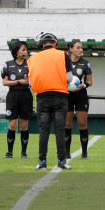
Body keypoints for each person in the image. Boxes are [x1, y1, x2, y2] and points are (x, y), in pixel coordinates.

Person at [27, 32, 74, 170]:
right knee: (60, 130)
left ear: (41, 44)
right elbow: (69, 78)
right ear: (55, 43)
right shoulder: (62, 55)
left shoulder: (32, 58)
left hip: (41, 97)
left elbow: (30, 81)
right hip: (60, 96)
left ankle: (42, 161)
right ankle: (62, 161)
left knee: (44, 131)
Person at [1, 41, 32, 158]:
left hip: (26, 96)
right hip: (13, 96)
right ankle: (9, 152)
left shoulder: (30, 65)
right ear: (16, 51)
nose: (25, 52)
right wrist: (18, 81)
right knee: (12, 125)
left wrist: (30, 81)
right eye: (23, 49)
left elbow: (34, 80)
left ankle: (24, 153)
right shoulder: (7, 64)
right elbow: (5, 82)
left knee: (24, 126)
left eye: (26, 50)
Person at [65, 40, 93, 160]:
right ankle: (66, 153)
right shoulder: (64, 63)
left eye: (82, 48)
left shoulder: (85, 63)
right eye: (78, 47)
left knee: (82, 124)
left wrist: (83, 86)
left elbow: (90, 82)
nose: (81, 50)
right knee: (67, 124)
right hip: (67, 96)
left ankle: (84, 153)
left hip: (81, 95)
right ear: (71, 49)